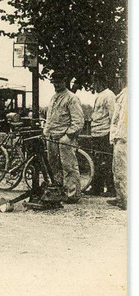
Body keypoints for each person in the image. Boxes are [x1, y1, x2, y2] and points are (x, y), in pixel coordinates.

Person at [43, 70, 84, 203]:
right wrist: (46, 133)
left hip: (64, 138)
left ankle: (72, 194)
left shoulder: (71, 98)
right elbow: (49, 118)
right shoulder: (54, 97)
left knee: (69, 166)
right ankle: (58, 191)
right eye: (54, 82)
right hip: (52, 137)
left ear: (64, 82)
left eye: (59, 82)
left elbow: (78, 121)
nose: (56, 85)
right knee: (53, 165)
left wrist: (68, 136)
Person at [85, 77, 116, 197]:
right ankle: (96, 187)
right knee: (97, 161)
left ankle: (110, 188)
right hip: (97, 133)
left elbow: (112, 116)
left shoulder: (109, 95)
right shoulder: (101, 95)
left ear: (101, 82)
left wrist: (111, 134)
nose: (93, 85)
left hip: (104, 133)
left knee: (106, 162)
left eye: (95, 82)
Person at [108, 85, 127, 210]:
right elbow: (116, 118)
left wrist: (122, 136)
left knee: (123, 169)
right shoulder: (124, 94)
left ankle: (126, 198)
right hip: (119, 137)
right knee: (117, 168)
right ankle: (120, 196)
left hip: (125, 137)